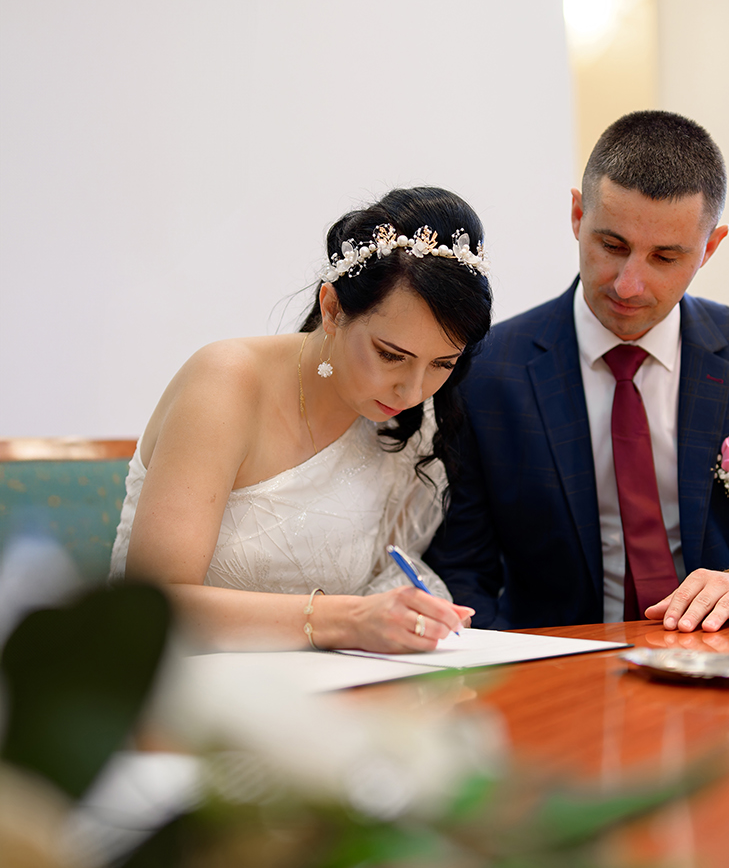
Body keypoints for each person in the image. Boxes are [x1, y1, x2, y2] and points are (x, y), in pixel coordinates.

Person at [426, 111, 729, 634]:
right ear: (577, 215)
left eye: (665, 257)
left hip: (723, 664)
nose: (628, 285)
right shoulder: (487, 372)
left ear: (710, 248)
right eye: (612, 246)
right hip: (556, 667)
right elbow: (462, 571)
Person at [110, 186, 493, 651]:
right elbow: (151, 606)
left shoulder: (409, 422)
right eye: (391, 355)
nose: (412, 392)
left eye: (442, 364)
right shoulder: (224, 383)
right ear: (332, 309)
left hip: (322, 682)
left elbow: (385, 574)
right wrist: (346, 619)